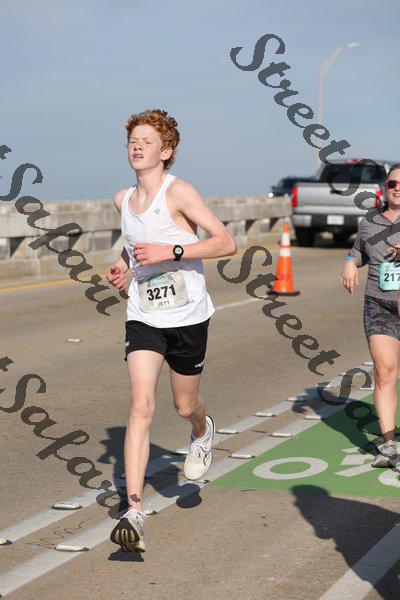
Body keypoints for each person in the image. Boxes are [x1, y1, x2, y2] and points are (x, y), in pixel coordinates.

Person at [106, 109, 237, 553]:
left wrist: (171, 250)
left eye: (147, 141)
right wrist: (123, 266)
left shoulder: (178, 192)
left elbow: (226, 242)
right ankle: (134, 512)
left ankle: (201, 430)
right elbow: (134, 246)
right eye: (133, 140)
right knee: (140, 404)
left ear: (166, 151)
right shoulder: (122, 200)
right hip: (144, 314)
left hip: (188, 316)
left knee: (184, 405)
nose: (137, 146)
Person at [340, 164, 400, 469]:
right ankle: (388, 445)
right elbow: (358, 250)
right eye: (393, 183)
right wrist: (350, 262)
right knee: (385, 372)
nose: (398, 189)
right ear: (385, 187)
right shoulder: (370, 220)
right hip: (379, 304)